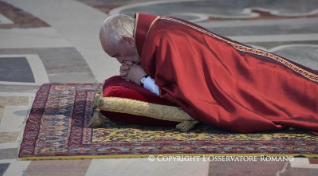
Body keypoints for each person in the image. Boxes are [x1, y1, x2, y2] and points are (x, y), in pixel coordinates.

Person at [99, 13, 318, 134]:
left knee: (294, 96)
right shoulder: (155, 29)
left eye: (117, 54)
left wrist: (142, 78)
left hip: (246, 79)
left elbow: (186, 95)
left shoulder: (164, 43)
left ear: (129, 40)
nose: (120, 61)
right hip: (246, 68)